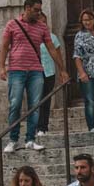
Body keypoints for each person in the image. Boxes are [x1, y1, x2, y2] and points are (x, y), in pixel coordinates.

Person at [0, 0, 56, 152]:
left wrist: (62, 68)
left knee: (35, 105)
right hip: (16, 70)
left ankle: (30, 139)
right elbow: (4, 46)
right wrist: (1, 67)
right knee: (15, 104)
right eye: (36, 10)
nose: (39, 13)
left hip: (36, 70)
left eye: (40, 10)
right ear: (27, 8)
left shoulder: (42, 27)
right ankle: (13, 139)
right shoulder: (12, 24)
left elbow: (51, 47)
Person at [33, 10, 68, 141]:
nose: (43, 25)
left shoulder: (52, 37)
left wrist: (62, 70)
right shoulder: (32, 37)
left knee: (46, 100)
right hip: (35, 73)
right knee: (36, 100)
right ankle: (35, 126)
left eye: (44, 22)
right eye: (40, 22)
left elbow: (58, 55)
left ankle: (43, 126)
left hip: (49, 72)